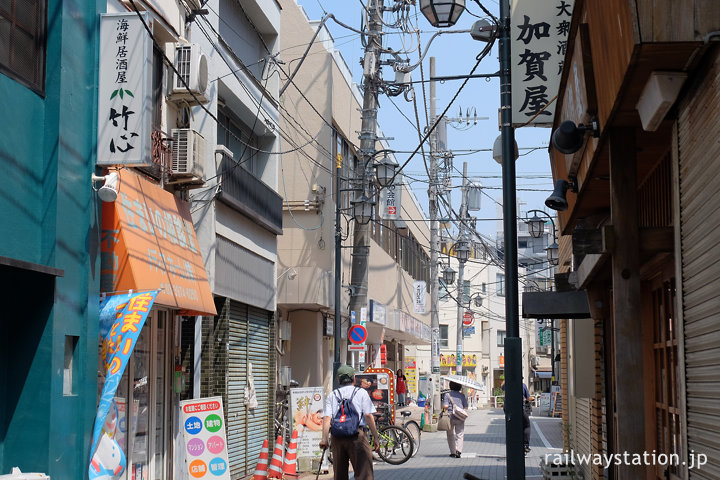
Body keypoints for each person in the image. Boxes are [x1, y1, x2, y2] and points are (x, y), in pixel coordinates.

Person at [320, 365, 380, 480]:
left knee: (340, 474)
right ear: (354, 378)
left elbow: (327, 418)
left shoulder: (333, 395)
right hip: (357, 436)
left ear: (338, 380)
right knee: (364, 473)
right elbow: (368, 415)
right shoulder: (361, 392)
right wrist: (376, 437)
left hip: (337, 437)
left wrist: (324, 439)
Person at [501, 378, 534, 453]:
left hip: (508, 410)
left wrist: (506, 379)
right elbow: (528, 398)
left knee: (510, 425)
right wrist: (532, 398)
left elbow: (502, 387)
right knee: (526, 425)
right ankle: (525, 445)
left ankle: (510, 443)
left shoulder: (507, 385)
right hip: (520, 410)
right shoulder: (523, 386)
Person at [442, 381, 468, 458]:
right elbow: (466, 407)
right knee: (460, 434)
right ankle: (459, 451)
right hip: (460, 417)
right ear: (459, 386)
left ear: (450, 386)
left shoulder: (447, 395)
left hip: (450, 417)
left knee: (450, 434)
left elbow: (446, 406)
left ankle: (453, 452)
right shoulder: (462, 395)